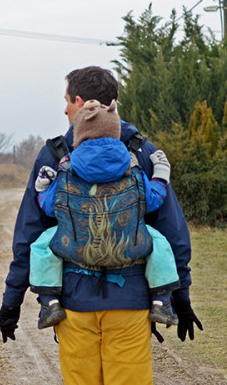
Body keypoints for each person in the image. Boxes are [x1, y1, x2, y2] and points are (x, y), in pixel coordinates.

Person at [0, 66, 202, 385]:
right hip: (133, 303)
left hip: (74, 306)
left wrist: (13, 299)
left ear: (79, 103)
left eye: (66, 100)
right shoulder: (144, 154)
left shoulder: (56, 157)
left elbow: (32, 232)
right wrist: (180, 294)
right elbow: (171, 231)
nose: (64, 109)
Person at [26, 98, 179, 330]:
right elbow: (153, 200)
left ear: (78, 135)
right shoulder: (132, 163)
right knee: (159, 243)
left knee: (40, 246)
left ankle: (50, 302)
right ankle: (161, 300)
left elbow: (50, 207)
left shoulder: (66, 166)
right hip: (127, 243)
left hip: (76, 247)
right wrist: (160, 175)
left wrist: (41, 188)